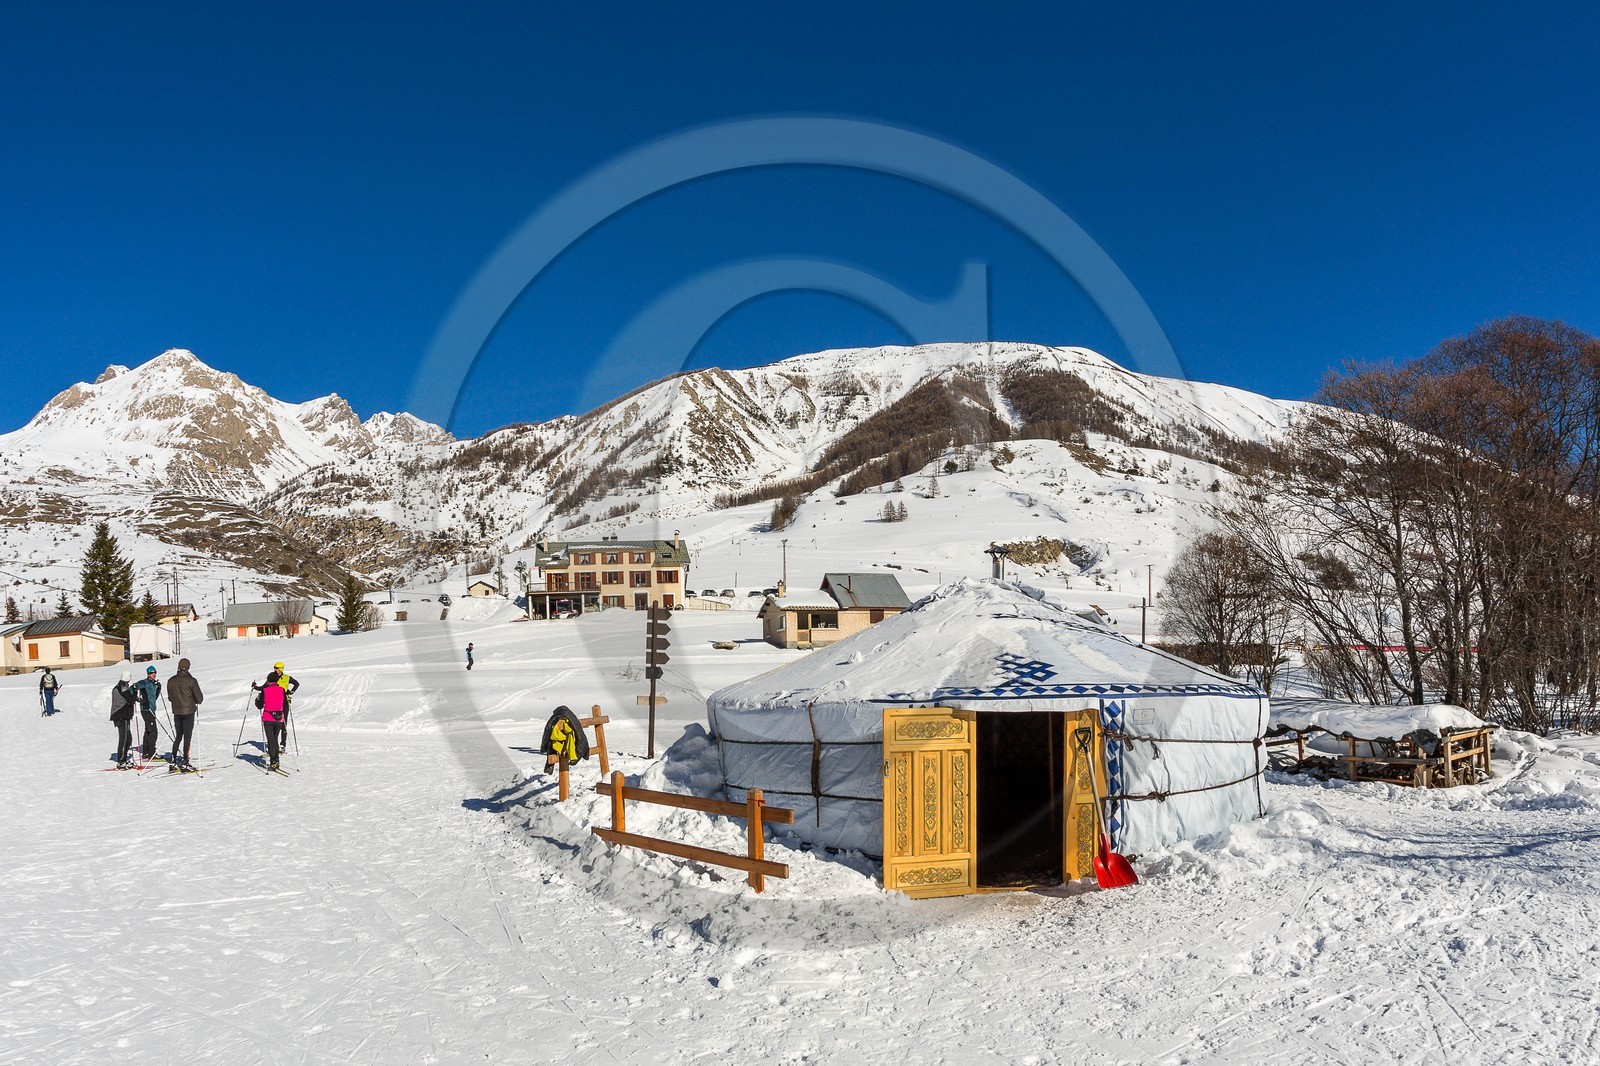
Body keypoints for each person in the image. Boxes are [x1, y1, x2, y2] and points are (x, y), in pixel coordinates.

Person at [166, 658, 203, 769]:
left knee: (178, 736)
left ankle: (173, 757)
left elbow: (170, 697)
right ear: (188, 667)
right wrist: (194, 701)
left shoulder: (171, 680)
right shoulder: (192, 680)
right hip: (188, 712)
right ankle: (185, 760)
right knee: (187, 737)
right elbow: (199, 698)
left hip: (177, 711)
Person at [132, 665, 162, 760]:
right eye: (151, 672)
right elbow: (133, 688)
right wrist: (138, 699)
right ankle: (151, 753)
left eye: (154, 672)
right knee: (154, 731)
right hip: (146, 709)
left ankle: (146, 752)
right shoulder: (144, 682)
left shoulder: (154, 684)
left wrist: (158, 688)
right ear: (148, 674)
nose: (153, 674)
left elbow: (154, 697)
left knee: (148, 730)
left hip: (151, 709)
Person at [109, 671, 137, 768]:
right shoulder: (123, 687)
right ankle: (121, 761)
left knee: (128, 738)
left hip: (120, 715)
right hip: (122, 715)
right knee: (124, 738)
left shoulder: (118, 686)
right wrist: (135, 691)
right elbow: (131, 700)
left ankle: (123, 758)